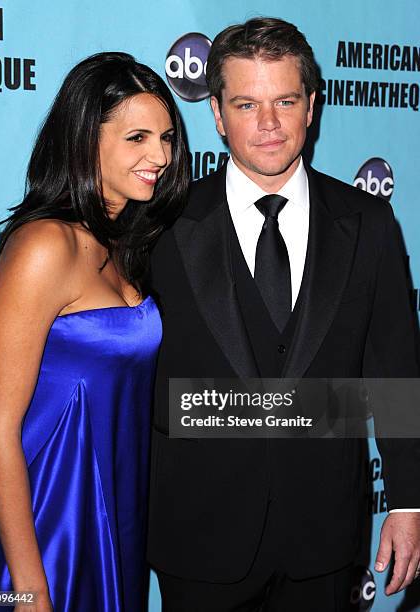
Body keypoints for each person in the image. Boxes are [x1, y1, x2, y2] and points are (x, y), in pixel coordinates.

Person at [145, 17, 420, 611]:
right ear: (216, 114)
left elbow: (395, 370)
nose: (268, 125)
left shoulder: (366, 223)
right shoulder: (160, 224)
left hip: (324, 540)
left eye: (285, 101)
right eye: (246, 104)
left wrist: (407, 503)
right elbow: (101, 343)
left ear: (311, 107)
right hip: (198, 535)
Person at [0, 51, 189, 611]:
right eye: (137, 138)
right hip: (47, 518)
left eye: (166, 138)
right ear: (84, 139)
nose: (159, 156)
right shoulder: (44, 245)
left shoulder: (125, 242)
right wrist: (27, 589)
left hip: (112, 506)